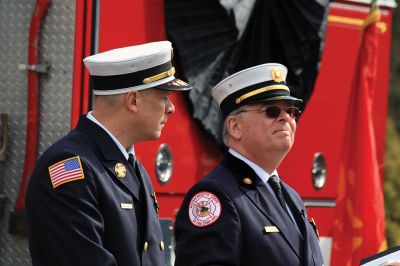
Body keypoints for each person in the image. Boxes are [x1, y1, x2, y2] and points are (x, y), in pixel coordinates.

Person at [25, 41, 191, 266]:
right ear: (133, 100)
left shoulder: (130, 166)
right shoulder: (71, 168)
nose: (170, 108)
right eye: (163, 98)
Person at [174, 63, 324, 265]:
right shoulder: (215, 196)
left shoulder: (292, 198)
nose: (285, 117)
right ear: (235, 127)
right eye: (271, 111)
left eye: (291, 111)